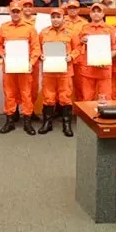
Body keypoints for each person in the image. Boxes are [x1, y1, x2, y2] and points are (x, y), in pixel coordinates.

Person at [0, 3, 41, 135]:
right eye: (13, 11)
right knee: (9, 94)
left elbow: (36, 48)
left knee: (26, 94)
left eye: (17, 11)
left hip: (24, 68)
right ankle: (10, 120)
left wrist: (31, 62)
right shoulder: (4, 27)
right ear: (10, 12)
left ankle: (27, 121)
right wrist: (1, 53)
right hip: (9, 67)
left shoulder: (30, 29)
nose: (15, 13)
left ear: (21, 12)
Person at [38, 7, 79, 136]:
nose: (55, 20)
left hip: (65, 71)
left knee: (65, 98)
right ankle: (47, 123)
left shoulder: (71, 32)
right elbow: (37, 48)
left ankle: (66, 125)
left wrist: (71, 56)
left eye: (58, 17)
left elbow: (78, 48)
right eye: (53, 17)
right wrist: (40, 56)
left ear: (63, 18)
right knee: (48, 97)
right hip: (49, 71)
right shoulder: (44, 32)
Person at [76, 3, 116, 101]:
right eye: (93, 11)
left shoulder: (110, 29)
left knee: (105, 98)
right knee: (87, 98)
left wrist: (105, 59)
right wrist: (82, 41)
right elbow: (77, 46)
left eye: (99, 11)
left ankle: (104, 116)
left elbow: (115, 49)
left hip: (104, 69)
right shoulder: (84, 28)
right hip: (88, 70)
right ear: (90, 14)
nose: (96, 14)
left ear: (103, 14)